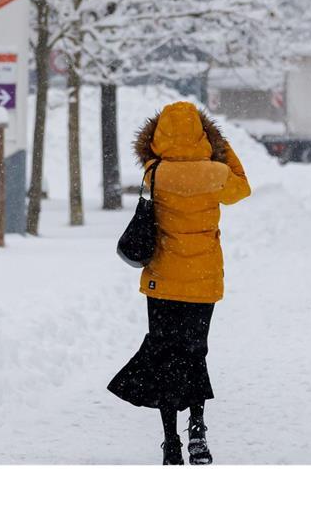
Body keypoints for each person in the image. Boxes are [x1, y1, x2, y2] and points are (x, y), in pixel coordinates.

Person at [107, 102, 250, 465]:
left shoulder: (154, 173)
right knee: (194, 352)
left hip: (163, 281)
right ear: (203, 133)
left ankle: (171, 442)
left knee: (166, 357)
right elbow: (242, 188)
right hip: (202, 281)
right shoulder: (217, 172)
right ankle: (198, 430)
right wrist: (220, 145)